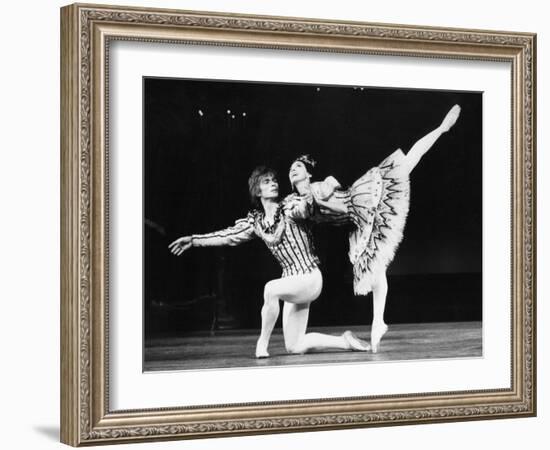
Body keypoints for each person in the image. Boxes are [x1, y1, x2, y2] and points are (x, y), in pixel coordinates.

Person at [287, 104, 462, 352]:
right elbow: (300, 213)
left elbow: (332, 184)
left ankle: (442, 128)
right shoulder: (296, 202)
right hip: (356, 225)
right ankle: (378, 321)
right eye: (291, 169)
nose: (293, 169)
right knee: (376, 267)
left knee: (407, 162)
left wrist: (321, 191)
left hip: (360, 201)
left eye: (298, 166)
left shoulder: (318, 186)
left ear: (307, 173)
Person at [168, 166, 370, 358]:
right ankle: (345, 341)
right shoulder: (256, 222)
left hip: (309, 277)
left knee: (270, 289)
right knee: (295, 346)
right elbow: (228, 236)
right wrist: (194, 240)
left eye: (274, 180)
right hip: (291, 283)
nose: (273, 183)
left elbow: (304, 209)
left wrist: (308, 201)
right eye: (266, 181)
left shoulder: (289, 207)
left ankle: (261, 344)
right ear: (257, 191)